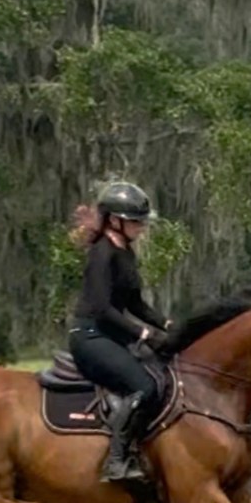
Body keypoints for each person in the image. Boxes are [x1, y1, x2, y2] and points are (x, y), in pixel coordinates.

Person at [67, 182, 172, 482]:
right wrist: (142, 334)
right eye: (135, 221)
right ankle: (116, 460)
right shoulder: (102, 254)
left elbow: (135, 304)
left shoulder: (125, 252)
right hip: (90, 337)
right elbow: (102, 309)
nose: (141, 227)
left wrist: (166, 324)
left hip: (110, 335)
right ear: (114, 220)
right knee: (144, 388)